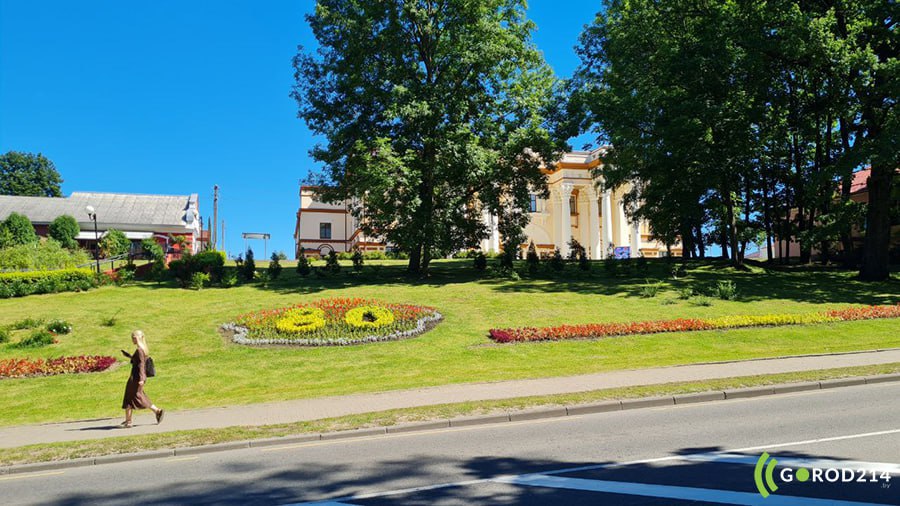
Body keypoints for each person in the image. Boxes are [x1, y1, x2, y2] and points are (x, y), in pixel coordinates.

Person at [120, 330, 164, 427]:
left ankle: (157, 411)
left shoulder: (140, 350)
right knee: (132, 396)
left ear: (136, 338)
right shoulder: (143, 349)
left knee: (136, 397)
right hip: (136, 376)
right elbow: (138, 361)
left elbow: (141, 365)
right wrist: (129, 356)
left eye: (133, 338)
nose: (132, 340)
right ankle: (128, 420)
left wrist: (141, 379)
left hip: (136, 377)